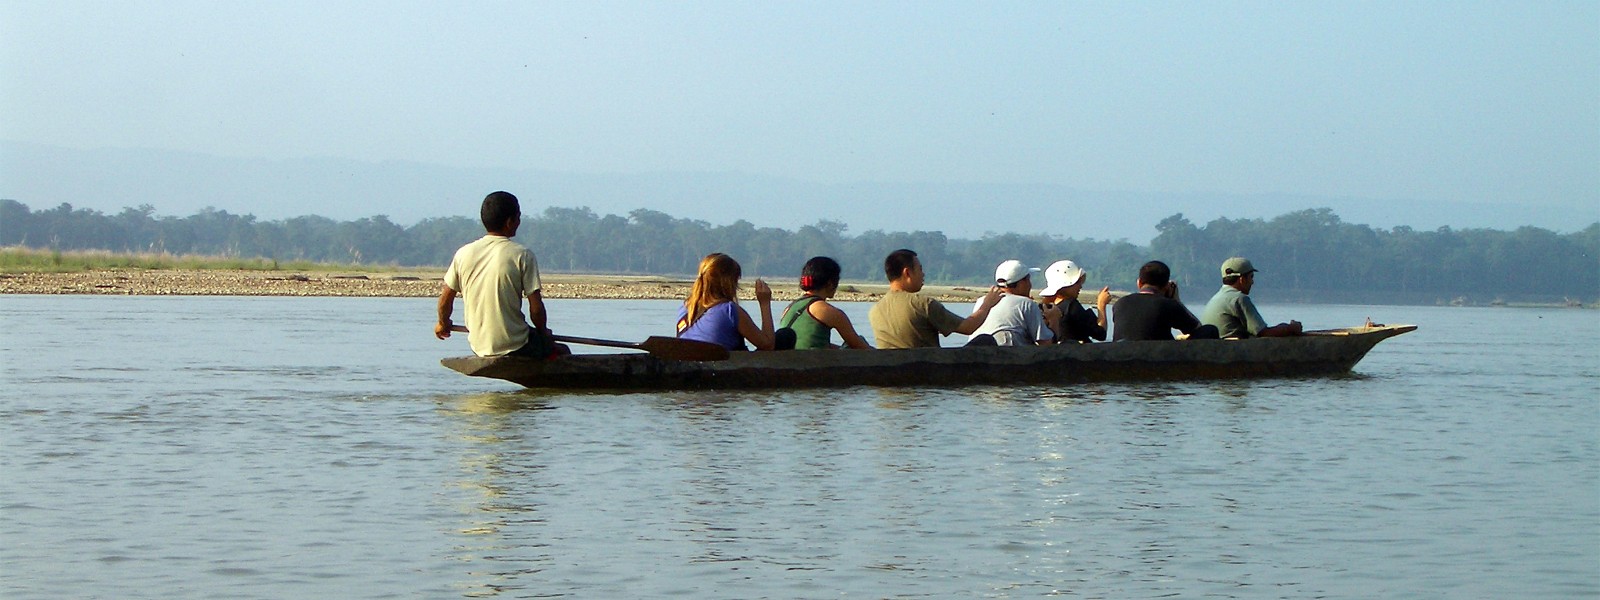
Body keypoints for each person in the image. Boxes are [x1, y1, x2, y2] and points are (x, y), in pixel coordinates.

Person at [434, 191, 564, 358]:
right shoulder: (522, 255)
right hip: (516, 345)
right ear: (510, 222)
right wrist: (544, 334)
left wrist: (442, 324)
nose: (519, 222)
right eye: (518, 217)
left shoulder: (463, 254)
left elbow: (445, 299)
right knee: (562, 352)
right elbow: (536, 308)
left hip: (479, 345)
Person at [868, 248, 1004, 349]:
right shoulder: (923, 304)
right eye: (920, 269)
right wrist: (987, 304)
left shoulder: (875, 310)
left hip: (895, 369)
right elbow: (968, 327)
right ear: (907, 273)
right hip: (926, 368)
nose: (923, 274)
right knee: (985, 340)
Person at [676, 253, 776, 351]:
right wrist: (764, 303)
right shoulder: (729, 311)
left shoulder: (685, 308)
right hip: (719, 365)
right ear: (729, 282)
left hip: (691, 363)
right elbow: (767, 345)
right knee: (785, 335)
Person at [778, 256, 873, 349]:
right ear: (830, 284)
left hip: (789, 361)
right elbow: (859, 346)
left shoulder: (789, 308)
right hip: (814, 363)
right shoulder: (828, 311)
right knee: (859, 341)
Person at [1110, 260, 1218, 341]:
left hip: (1122, 358)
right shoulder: (1168, 305)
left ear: (1139, 283)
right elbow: (1196, 328)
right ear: (1167, 286)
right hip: (1158, 360)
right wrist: (1177, 301)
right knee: (1210, 330)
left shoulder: (1120, 303)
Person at [1200, 257, 1303, 339]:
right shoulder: (1239, 298)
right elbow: (1263, 333)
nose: (1252, 282)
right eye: (1251, 277)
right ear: (1242, 279)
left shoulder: (1216, 298)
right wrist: (1291, 328)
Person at [968, 260, 1058, 346]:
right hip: (1009, 357)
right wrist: (1054, 319)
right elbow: (1046, 344)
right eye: (1028, 280)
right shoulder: (1026, 303)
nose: (1030, 285)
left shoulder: (982, 301)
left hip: (978, 353)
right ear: (1022, 283)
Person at [1038, 259, 1110, 343]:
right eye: (1077, 282)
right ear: (1066, 285)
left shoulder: (1045, 307)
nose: (1080, 286)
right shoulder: (1072, 306)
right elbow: (1100, 334)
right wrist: (1101, 305)